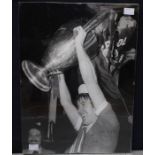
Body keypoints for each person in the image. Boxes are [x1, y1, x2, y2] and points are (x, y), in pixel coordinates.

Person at [57, 26, 120, 153]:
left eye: (84, 105)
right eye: (79, 106)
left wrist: (79, 45)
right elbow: (66, 103)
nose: (80, 111)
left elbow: (91, 81)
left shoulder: (107, 121)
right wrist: (59, 74)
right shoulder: (83, 125)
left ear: (96, 105)